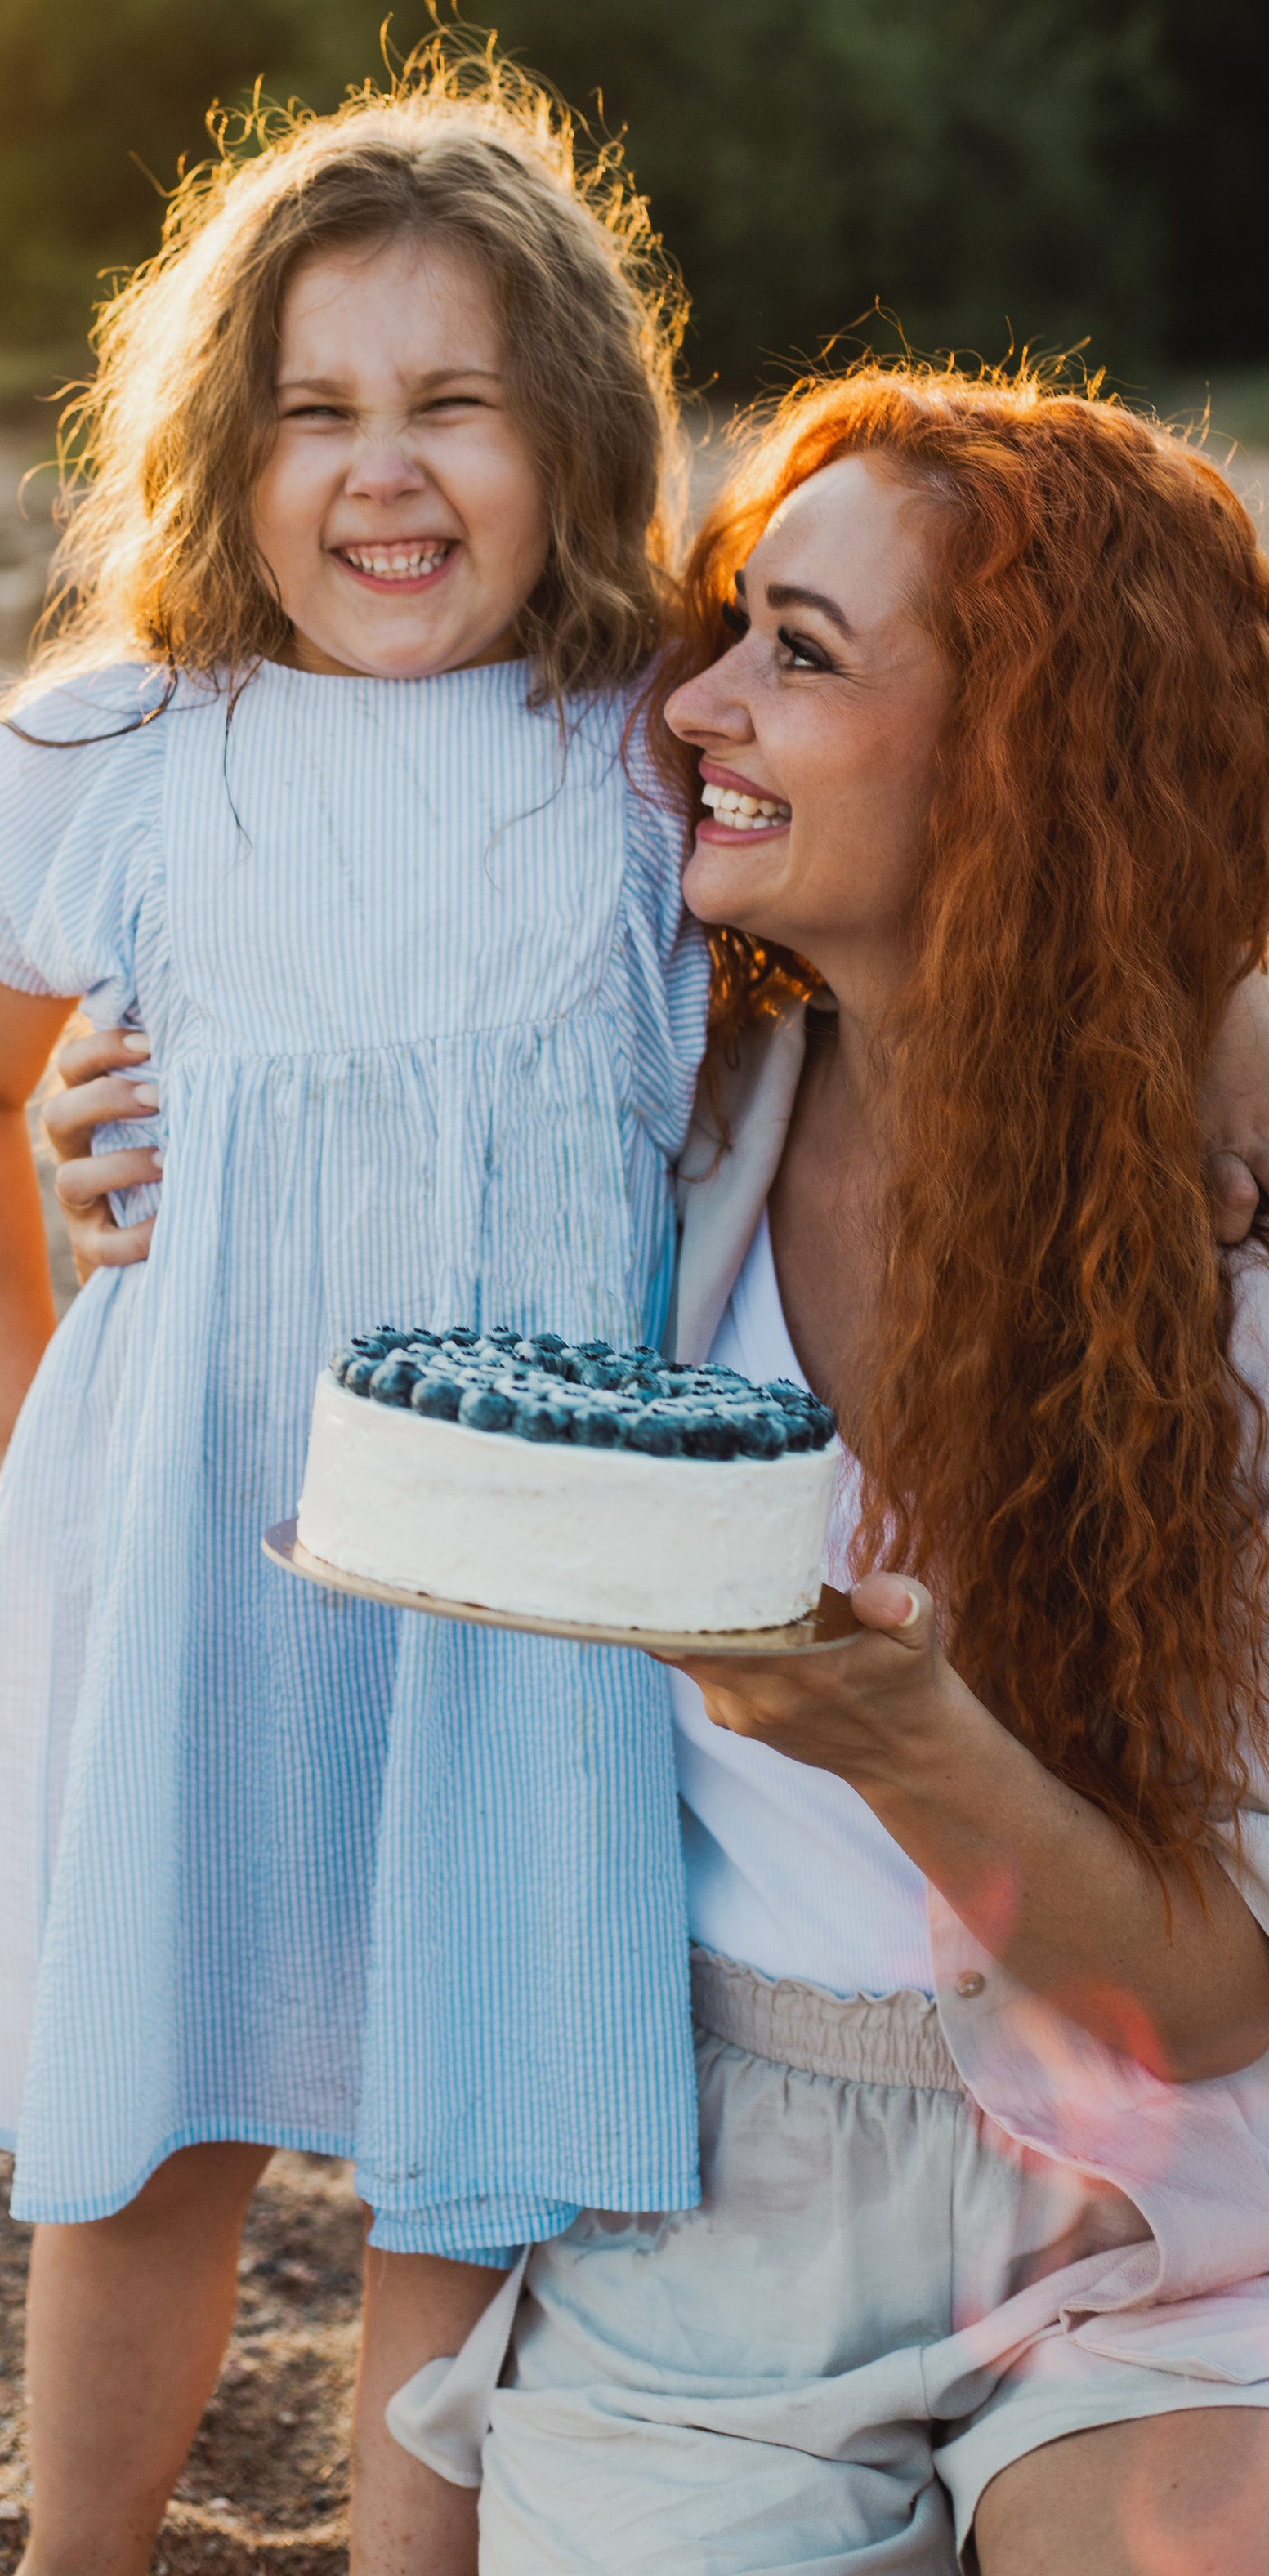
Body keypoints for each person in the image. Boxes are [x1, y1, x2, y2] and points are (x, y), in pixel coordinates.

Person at [0, 61, 718, 2576]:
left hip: (529, 1590)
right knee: (149, 2114)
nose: (385, 471)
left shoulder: (645, 760)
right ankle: (85, 2545)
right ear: (220, 456)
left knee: (468, 2132)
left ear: (573, 436)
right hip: (199, 1560)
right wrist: (45, 1434)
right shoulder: (136, 750)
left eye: (454, 405)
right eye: (315, 411)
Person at [361, 373, 1269, 2573]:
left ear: (1032, 763)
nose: (693, 705)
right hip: (713, 2202)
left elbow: (1210, 1997)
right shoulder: (639, 1135)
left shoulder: (1236, 1236)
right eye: (728, 629)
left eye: (802, 653)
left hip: (1175, 2203)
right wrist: (113, 1153)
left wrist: (915, 1747)